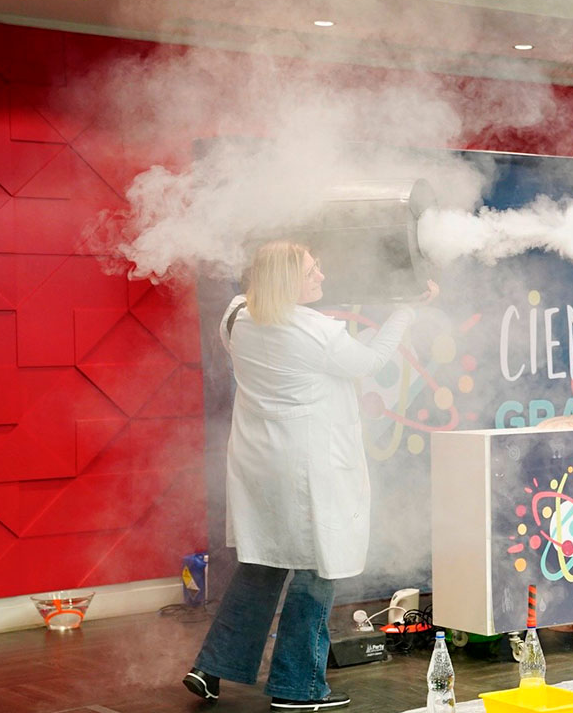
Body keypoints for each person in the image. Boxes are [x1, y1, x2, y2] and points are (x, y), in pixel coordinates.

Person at [183, 240, 436, 712]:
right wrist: (404, 312)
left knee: (262, 564)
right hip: (308, 466)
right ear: (285, 283)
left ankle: (211, 667)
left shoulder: (236, 316)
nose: (321, 276)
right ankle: (298, 687)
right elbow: (368, 362)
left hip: (260, 463)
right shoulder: (313, 330)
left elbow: (261, 304)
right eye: (310, 272)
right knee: (319, 569)